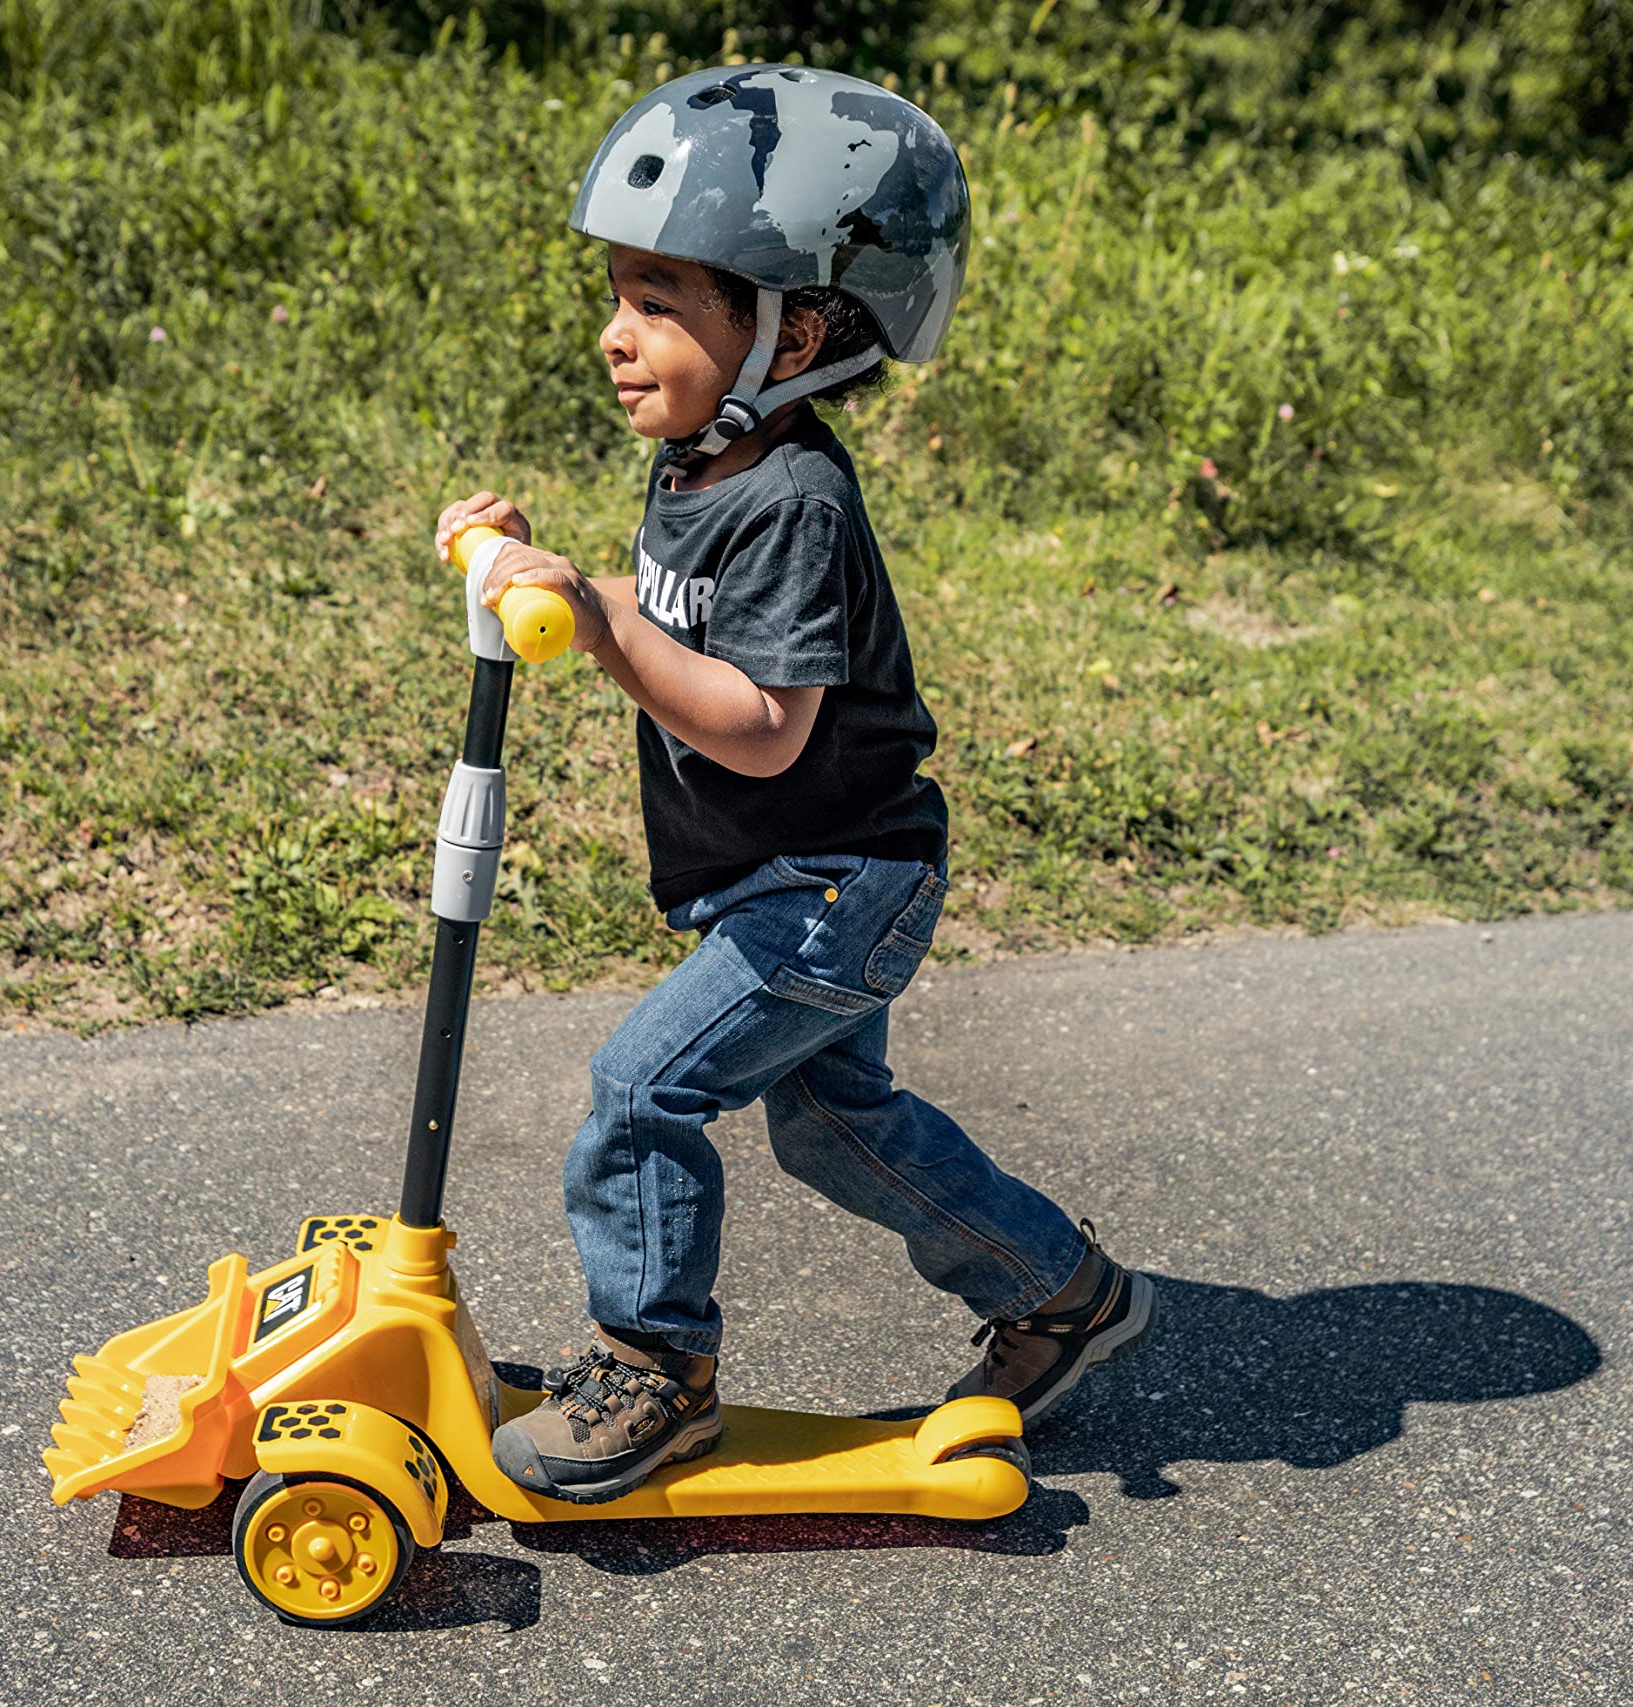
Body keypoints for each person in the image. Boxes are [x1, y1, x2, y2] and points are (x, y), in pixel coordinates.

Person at [432, 65, 1157, 1507]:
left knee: (640, 1092)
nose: (615, 335)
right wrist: (529, 559)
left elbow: (762, 725)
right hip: (794, 879)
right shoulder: (707, 463)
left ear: (797, 329)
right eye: (619, 295)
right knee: (832, 1125)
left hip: (838, 887)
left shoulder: (794, 500)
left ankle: (657, 1373)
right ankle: (1060, 1294)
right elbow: (674, 620)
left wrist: (593, 618)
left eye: (658, 303)